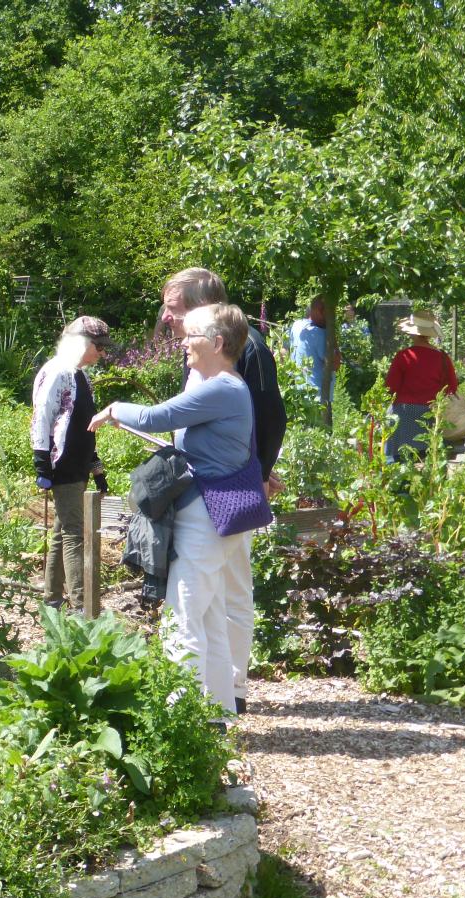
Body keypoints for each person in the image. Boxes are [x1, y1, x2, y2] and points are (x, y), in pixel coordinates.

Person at [90, 303, 257, 715]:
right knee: (209, 617)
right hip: (208, 512)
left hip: (205, 515)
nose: (182, 342)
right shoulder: (221, 385)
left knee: (182, 617)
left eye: (191, 336)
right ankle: (216, 715)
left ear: (217, 343)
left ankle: (177, 718)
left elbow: (153, 416)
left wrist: (113, 409)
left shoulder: (222, 388)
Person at [159, 268, 286, 716]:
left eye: (174, 310)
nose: (167, 319)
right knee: (213, 596)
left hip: (231, 490)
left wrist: (259, 472)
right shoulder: (202, 348)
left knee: (229, 589)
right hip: (214, 485)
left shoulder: (245, 348)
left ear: (202, 308)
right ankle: (219, 697)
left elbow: (271, 414)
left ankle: (231, 689)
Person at [30, 316, 111, 611]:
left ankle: (51, 603)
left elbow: (83, 425)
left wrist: (96, 467)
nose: (102, 353)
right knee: (75, 534)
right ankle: (82, 608)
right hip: (61, 464)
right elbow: (42, 416)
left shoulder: (81, 375)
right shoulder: (57, 372)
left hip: (79, 465)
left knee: (62, 533)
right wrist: (41, 462)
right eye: (98, 346)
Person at [384, 309, 458, 461]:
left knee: (397, 459)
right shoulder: (443, 358)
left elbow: (390, 388)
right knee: (429, 459)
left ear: (412, 332)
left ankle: (400, 483)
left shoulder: (404, 356)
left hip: (402, 414)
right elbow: (452, 388)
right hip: (430, 415)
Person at [287, 298, 329, 402]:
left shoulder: (296, 325)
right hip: (316, 395)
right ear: (317, 312)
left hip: (297, 390)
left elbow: (285, 350)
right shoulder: (319, 333)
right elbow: (334, 364)